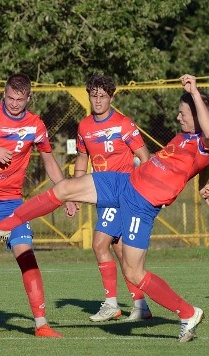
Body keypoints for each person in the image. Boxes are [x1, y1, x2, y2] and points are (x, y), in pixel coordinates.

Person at [0, 74, 209, 342]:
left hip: (142, 205)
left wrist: (194, 92)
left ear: (198, 112)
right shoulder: (185, 137)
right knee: (67, 188)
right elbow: (204, 164)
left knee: (134, 272)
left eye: (183, 113)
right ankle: (7, 223)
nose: (178, 118)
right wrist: (204, 184)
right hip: (124, 183)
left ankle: (187, 312)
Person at [0, 73, 77, 340]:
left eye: (20, 100)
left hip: (11, 201)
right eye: (10, 98)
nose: (14, 104)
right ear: (4, 93)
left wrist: (67, 194)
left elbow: (49, 161)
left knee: (26, 253)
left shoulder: (35, 125)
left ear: (29, 98)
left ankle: (41, 324)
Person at [74, 74, 152, 322]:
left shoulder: (123, 124)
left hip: (122, 193)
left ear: (111, 97)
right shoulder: (84, 126)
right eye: (93, 95)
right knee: (120, 251)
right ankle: (141, 305)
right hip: (101, 194)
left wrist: (142, 189)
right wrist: (73, 192)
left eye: (102, 96)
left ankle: (110, 304)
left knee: (99, 244)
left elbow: (145, 157)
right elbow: (81, 159)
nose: (97, 100)